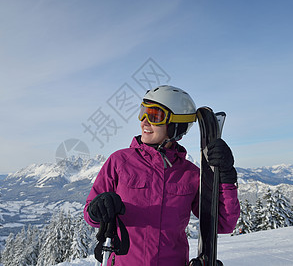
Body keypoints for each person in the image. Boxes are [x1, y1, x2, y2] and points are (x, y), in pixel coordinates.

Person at [84, 85, 240, 266]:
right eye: (143, 112)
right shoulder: (119, 161)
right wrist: (97, 209)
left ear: (176, 126)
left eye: (154, 116)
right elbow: (90, 215)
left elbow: (223, 224)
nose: (144, 121)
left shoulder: (190, 174)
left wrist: (227, 177)